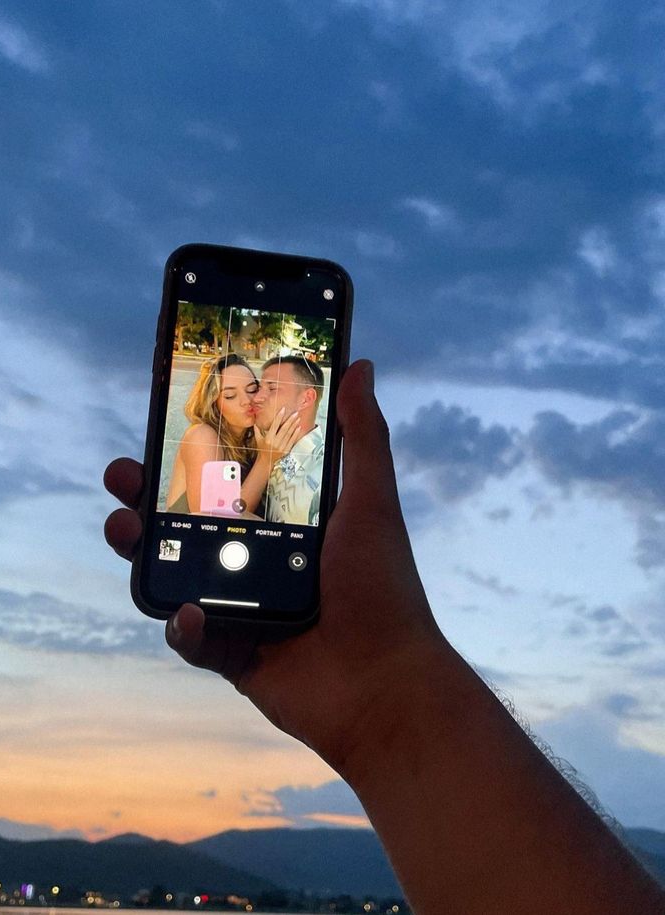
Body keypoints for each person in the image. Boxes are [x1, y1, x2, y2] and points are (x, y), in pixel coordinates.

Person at [105, 360, 665, 914]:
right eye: (238, 392)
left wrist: (386, 687)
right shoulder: (226, 445)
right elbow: (225, 512)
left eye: (259, 388)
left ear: (306, 402)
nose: (250, 400)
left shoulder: (288, 462)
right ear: (211, 400)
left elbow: (234, 513)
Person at [166, 354, 302, 516]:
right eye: (230, 395)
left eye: (252, 389)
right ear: (214, 404)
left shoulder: (256, 436)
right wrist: (265, 461)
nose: (247, 401)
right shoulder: (202, 436)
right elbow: (216, 520)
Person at [251, 355, 325, 525]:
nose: (256, 398)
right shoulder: (268, 447)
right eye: (259, 388)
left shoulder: (320, 479)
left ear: (306, 399)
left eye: (272, 388)